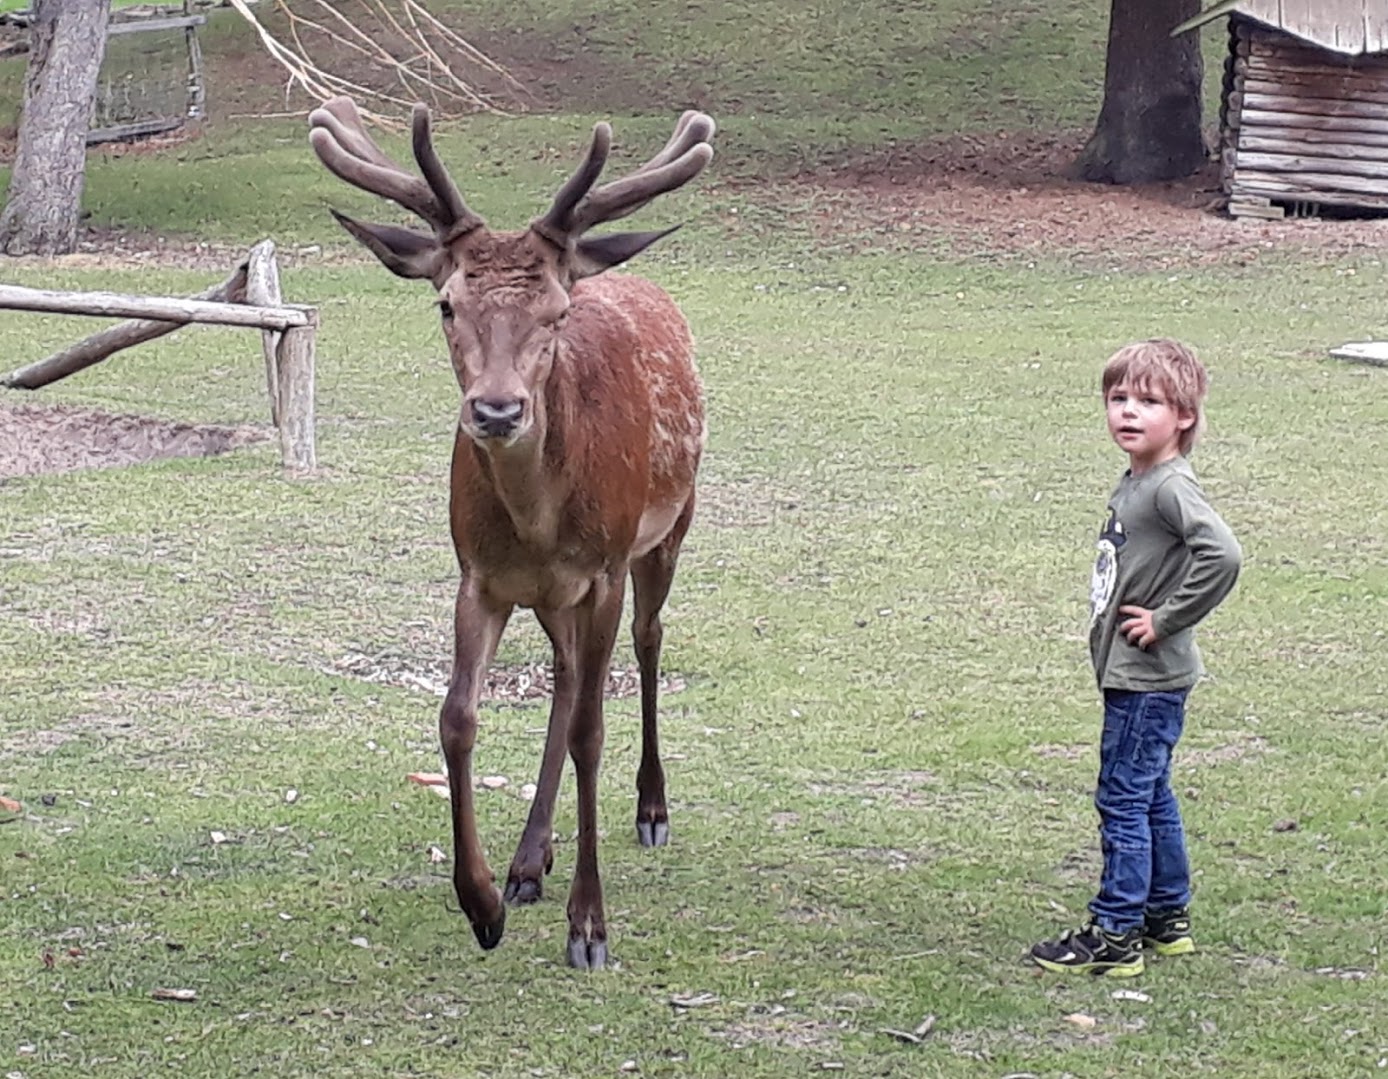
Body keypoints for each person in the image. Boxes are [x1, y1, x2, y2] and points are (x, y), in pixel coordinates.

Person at [1031, 338, 1242, 978]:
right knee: (1150, 795)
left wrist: (1167, 619)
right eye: (1118, 398)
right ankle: (1165, 917)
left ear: (1183, 416)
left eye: (1148, 401)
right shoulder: (1142, 479)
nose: (1128, 411)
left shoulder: (1170, 488)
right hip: (1136, 677)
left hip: (1147, 679)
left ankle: (1116, 931)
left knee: (1122, 798)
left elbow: (1223, 555)